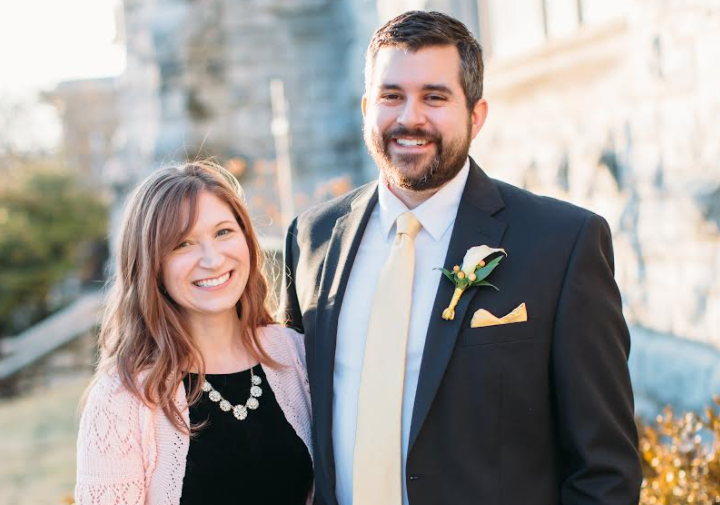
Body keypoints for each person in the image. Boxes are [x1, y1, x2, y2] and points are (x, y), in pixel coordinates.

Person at [280, 10, 642, 505]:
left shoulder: (562, 244)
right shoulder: (312, 239)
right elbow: (292, 422)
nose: (410, 117)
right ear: (367, 107)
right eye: (392, 96)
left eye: (435, 96)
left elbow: (605, 469)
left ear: (476, 115)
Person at [75, 161, 313, 505]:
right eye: (183, 244)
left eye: (223, 233)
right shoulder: (122, 398)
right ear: (151, 265)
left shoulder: (296, 357)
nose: (212, 259)